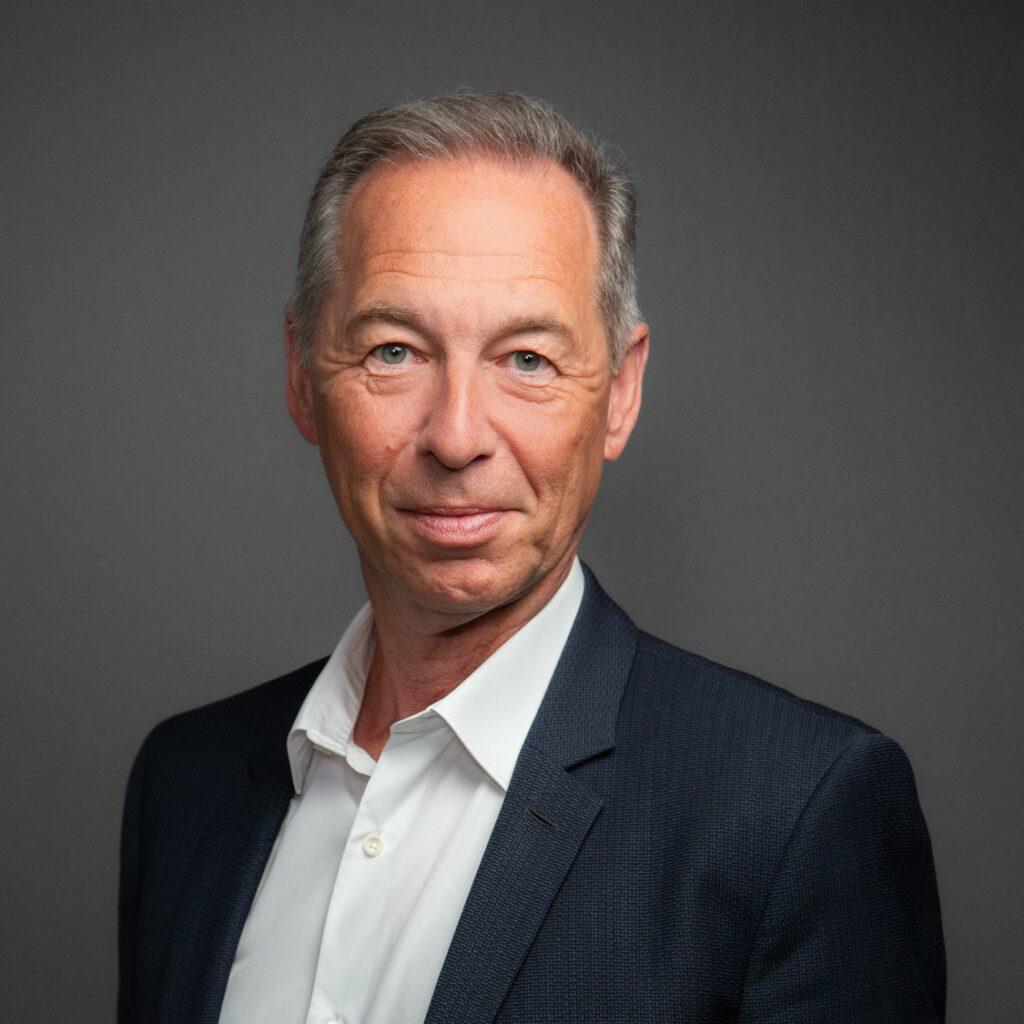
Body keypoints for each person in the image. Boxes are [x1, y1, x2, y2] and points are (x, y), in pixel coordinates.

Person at [117, 91, 946, 1024]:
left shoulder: (796, 814)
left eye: (527, 360)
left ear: (621, 392)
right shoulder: (185, 783)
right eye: (394, 351)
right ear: (302, 375)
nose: (457, 436)